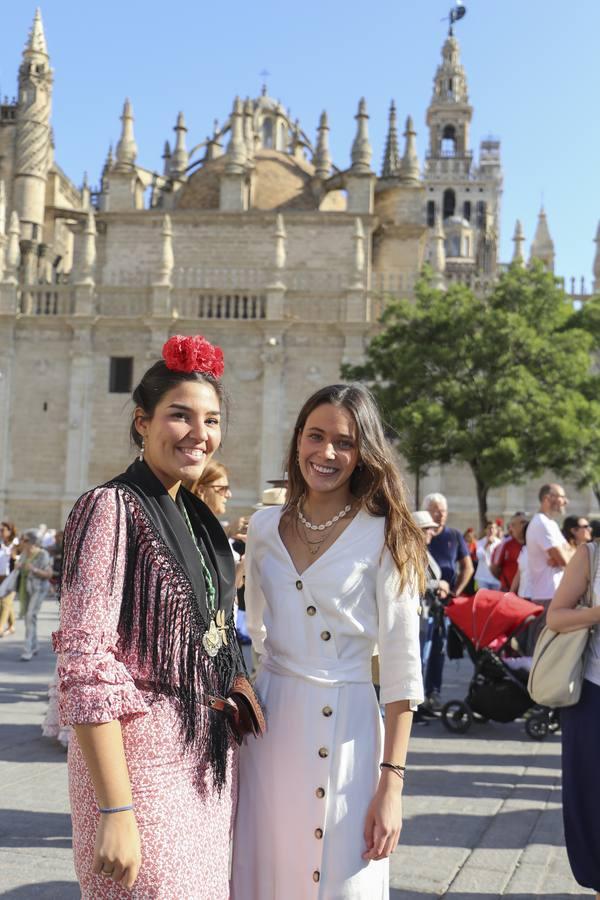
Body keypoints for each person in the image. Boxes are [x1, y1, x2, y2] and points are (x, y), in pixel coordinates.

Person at [54, 334, 247, 898]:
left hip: (205, 763)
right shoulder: (110, 507)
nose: (199, 434)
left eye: (211, 420)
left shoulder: (193, 515)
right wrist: (116, 807)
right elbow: (86, 663)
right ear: (142, 422)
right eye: (179, 416)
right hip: (140, 771)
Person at [231, 383, 425, 899]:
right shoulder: (266, 528)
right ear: (297, 441)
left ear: (363, 453)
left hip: (351, 733)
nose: (328, 453)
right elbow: (255, 636)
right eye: (315, 436)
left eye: (344, 441)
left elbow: (404, 675)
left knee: (340, 879)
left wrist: (392, 786)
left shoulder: (388, 535)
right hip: (270, 731)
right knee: (264, 871)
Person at [547, 544, 600, 898]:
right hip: (594, 695)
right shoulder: (591, 556)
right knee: (592, 799)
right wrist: (597, 613)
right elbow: (556, 617)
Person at [422, 492, 474, 710]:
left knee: (439, 649)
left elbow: (467, 567)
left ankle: (434, 692)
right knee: (421, 648)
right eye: (436, 510)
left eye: (443, 511)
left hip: (444, 604)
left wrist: (455, 591)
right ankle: (416, 696)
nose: (440, 515)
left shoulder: (453, 535)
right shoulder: (422, 536)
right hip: (423, 602)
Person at [525, 483, 572, 652]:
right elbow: (565, 559)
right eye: (561, 496)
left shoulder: (550, 524)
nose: (565, 501)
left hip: (554, 594)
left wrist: (565, 555)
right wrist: (563, 556)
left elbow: (569, 553)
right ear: (547, 499)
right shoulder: (542, 524)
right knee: (545, 649)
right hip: (548, 595)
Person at [16, 529, 53, 660]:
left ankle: (27, 649)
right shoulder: (24, 554)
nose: (22, 542)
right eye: (22, 539)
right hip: (26, 588)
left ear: (33, 541)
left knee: (30, 615)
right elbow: (19, 568)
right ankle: (35, 645)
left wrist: (33, 569)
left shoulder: (43, 554)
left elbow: (48, 574)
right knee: (30, 617)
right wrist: (19, 566)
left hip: (39, 589)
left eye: (25, 540)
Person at [490, 512, 527, 592]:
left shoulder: (532, 543)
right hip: (507, 590)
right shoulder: (504, 544)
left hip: (526, 592)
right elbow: (494, 568)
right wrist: (505, 582)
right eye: (522, 523)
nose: (525, 525)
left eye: (525, 522)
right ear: (512, 526)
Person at [0, 521, 18, 636]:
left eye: (2, 530)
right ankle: (11, 626)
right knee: (8, 603)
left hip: (11, 577)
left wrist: (15, 557)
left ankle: (0, 627)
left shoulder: (16, 544)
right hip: (0, 577)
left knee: (4, 602)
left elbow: (19, 559)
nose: (0, 532)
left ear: (10, 531)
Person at [474, 522, 501, 591]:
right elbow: (479, 556)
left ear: (496, 530)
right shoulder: (480, 542)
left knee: (496, 600)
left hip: (496, 579)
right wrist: (487, 544)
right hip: (482, 578)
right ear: (486, 530)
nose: (491, 530)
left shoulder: (500, 543)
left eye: (494, 528)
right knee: (482, 600)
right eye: (489, 528)